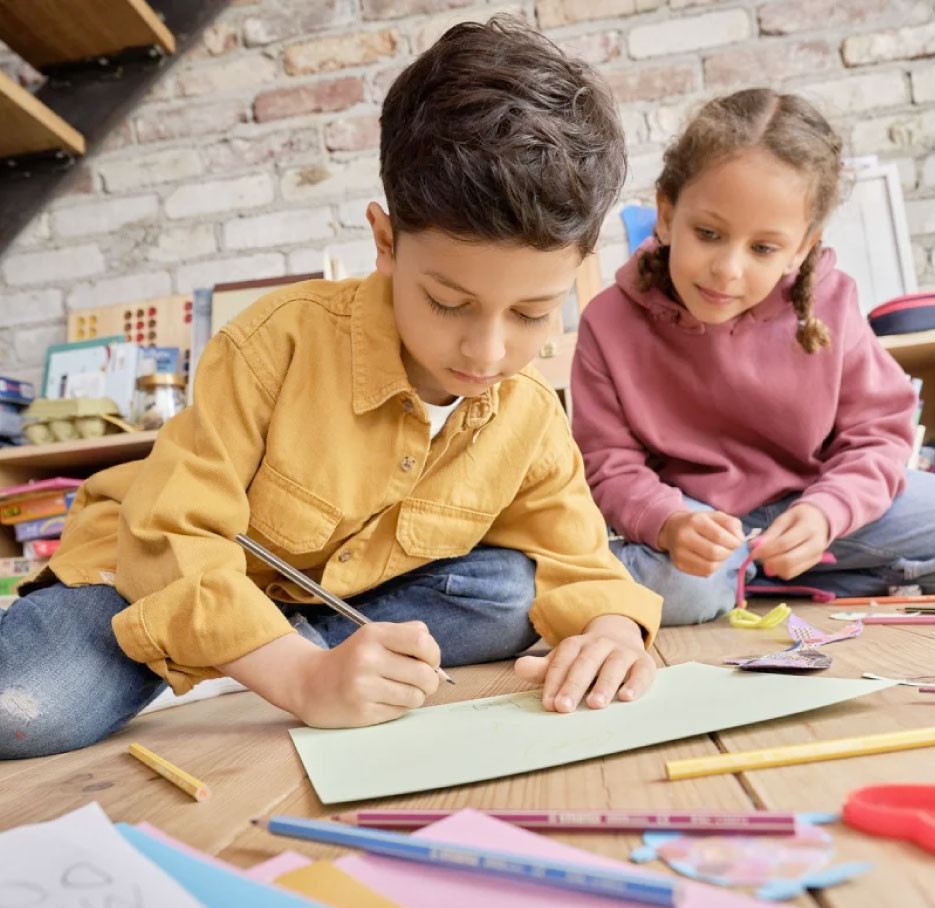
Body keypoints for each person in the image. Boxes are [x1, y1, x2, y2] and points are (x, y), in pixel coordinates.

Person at [0, 17, 663, 759]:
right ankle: (250, 653)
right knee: (19, 708)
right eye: (448, 303)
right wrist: (303, 680)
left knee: (512, 589)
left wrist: (609, 631)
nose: (488, 350)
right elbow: (172, 539)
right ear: (385, 243)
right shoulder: (273, 342)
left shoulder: (527, 411)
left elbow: (577, 559)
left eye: (534, 313)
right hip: (146, 575)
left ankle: (281, 651)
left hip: (335, 599)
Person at [571, 87, 935, 626]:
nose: (727, 269)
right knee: (686, 589)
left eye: (763, 248)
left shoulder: (830, 303)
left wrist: (826, 513)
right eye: (708, 233)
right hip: (699, 530)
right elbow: (607, 465)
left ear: (802, 247)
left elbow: (878, 433)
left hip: (815, 509)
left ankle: (769, 580)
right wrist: (670, 522)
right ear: (665, 212)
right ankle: (749, 579)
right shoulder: (608, 322)